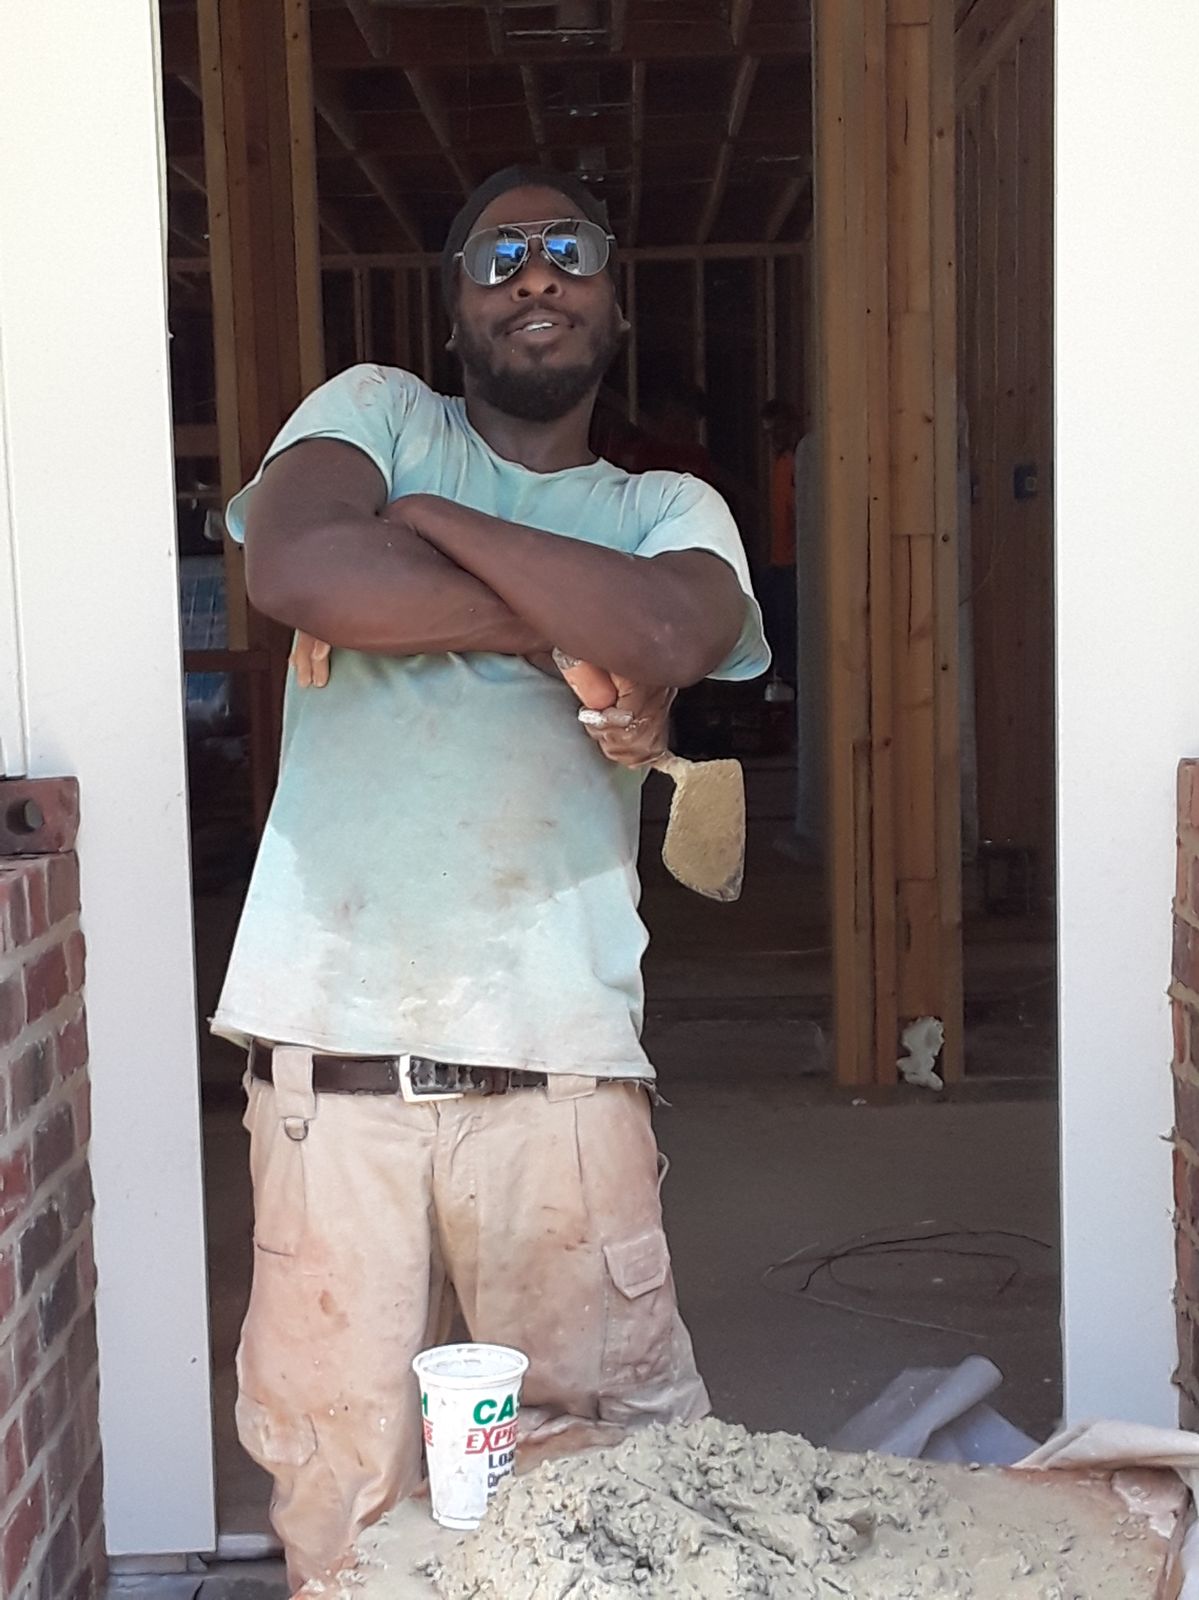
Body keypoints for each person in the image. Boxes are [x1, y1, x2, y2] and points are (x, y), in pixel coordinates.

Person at [214, 165, 770, 1591]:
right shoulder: (377, 415)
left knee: (607, 1490)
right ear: (454, 304)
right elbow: (296, 568)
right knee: (343, 1506)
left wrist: (432, 529)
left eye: (569, 250)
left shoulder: (665, 503)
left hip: (558, 1083)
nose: (536, 275)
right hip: (331, 1079)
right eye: (500, 253)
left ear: (616, 301)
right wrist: (555, 624)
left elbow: (667, 631)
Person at [759, 398, 801, 682]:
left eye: (778, 430)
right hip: (779, 561)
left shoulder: (799, 463)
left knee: (790, 639)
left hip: (794, 564)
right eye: (769, 433)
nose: (774, 438)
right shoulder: (781, 463)